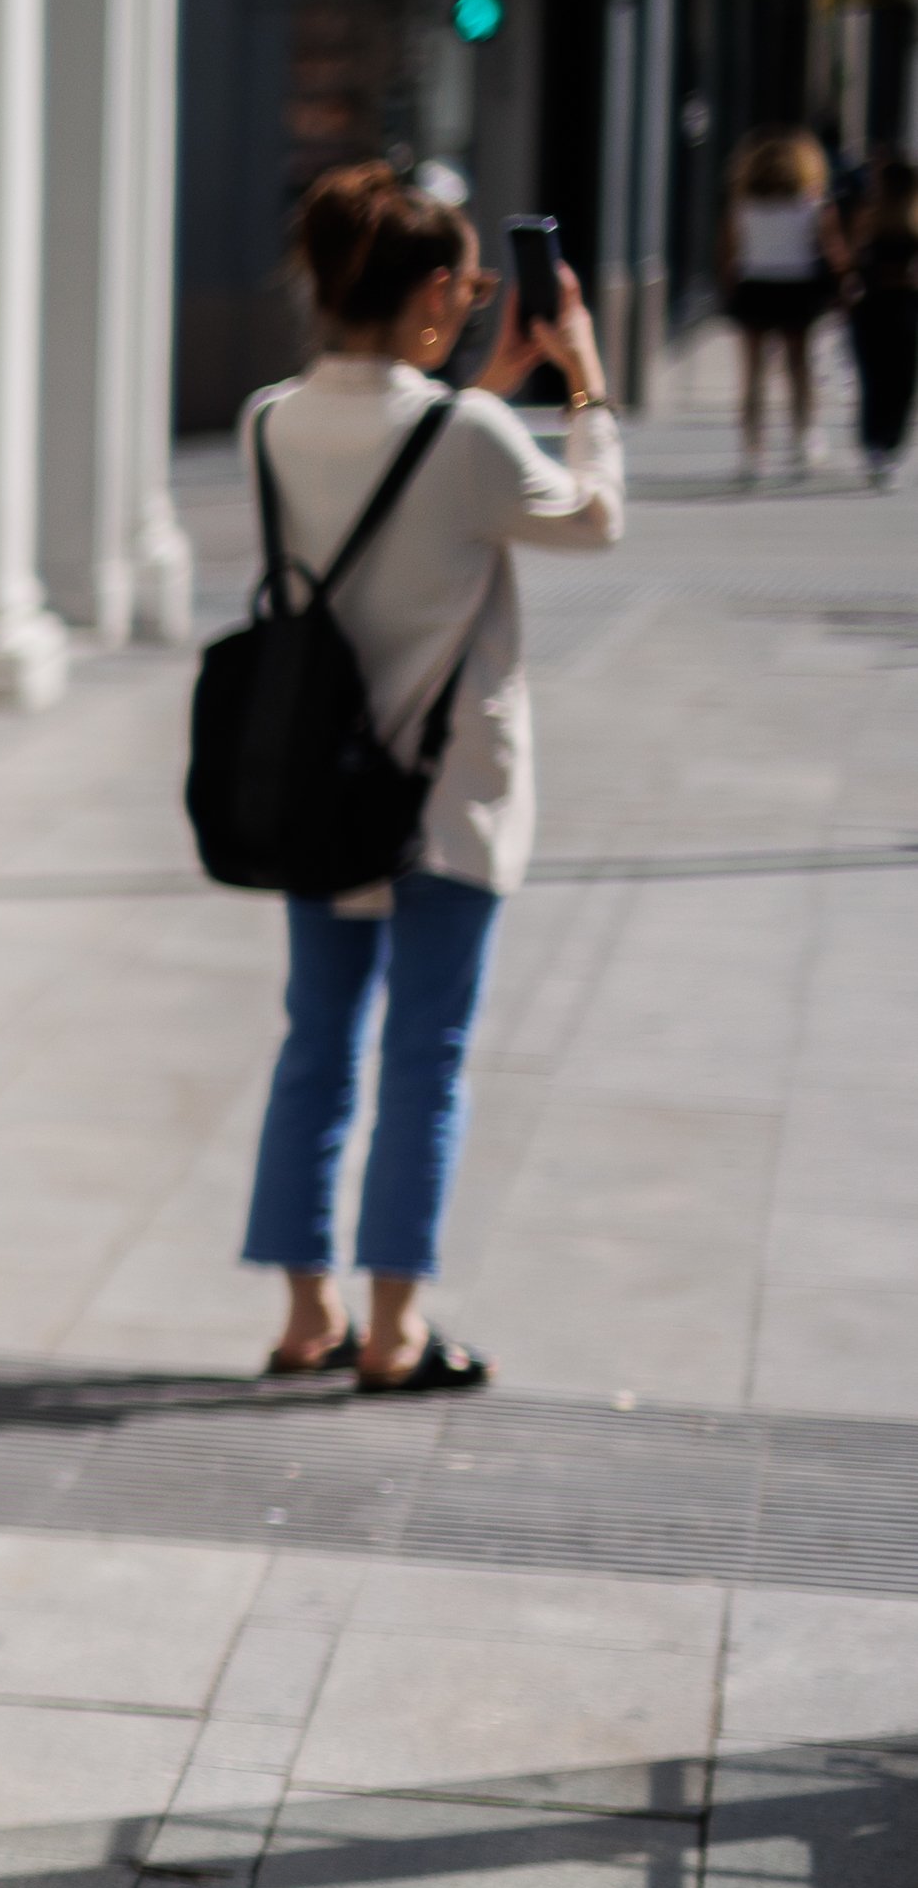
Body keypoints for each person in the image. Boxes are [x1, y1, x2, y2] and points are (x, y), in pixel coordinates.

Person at [238, 162, 623, 1394]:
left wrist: (490, 389)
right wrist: (587, 379)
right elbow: (592, 516)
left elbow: (410, 478)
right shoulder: (469, 437)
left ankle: (309, 1315)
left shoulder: (267, 419)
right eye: (462, 286)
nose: (473, 305)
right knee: (425, 1060)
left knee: (316, 1048)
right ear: (431, 297)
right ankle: (397, 1331)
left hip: (316, 786)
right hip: (446, 800)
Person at [721, 126, 845, 482]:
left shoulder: (743, 205)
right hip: (797, 286)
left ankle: (752, 448)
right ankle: (804, 436)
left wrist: (731, 287)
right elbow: (831, 248)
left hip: (755, 286)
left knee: (753, 373)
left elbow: (728, 252)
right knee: (800, 367)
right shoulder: (813, 203)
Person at [848, 152, 918, 492]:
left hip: (879, 306)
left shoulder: (874, 218)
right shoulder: (885, 217)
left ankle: (876, 442)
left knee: (879, 378)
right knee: (895, 378)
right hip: (898, 306)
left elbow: (854, 263)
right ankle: (885, 442)